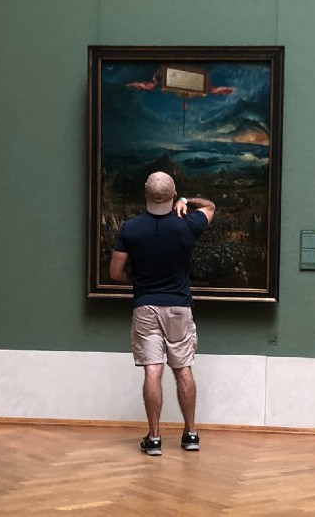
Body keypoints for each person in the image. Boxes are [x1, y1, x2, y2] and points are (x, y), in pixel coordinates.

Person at [109, 171, 215, 456]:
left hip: (145, 305)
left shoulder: (130, 229)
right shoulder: (188, 224)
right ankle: (190, 434)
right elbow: (209, 206)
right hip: (180, 306)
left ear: (146, 194)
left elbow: (115, 272)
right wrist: (185, 200)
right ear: (172, 193)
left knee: (152, 370)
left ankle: (154, 438)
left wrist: (140, 281)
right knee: (182, 369)